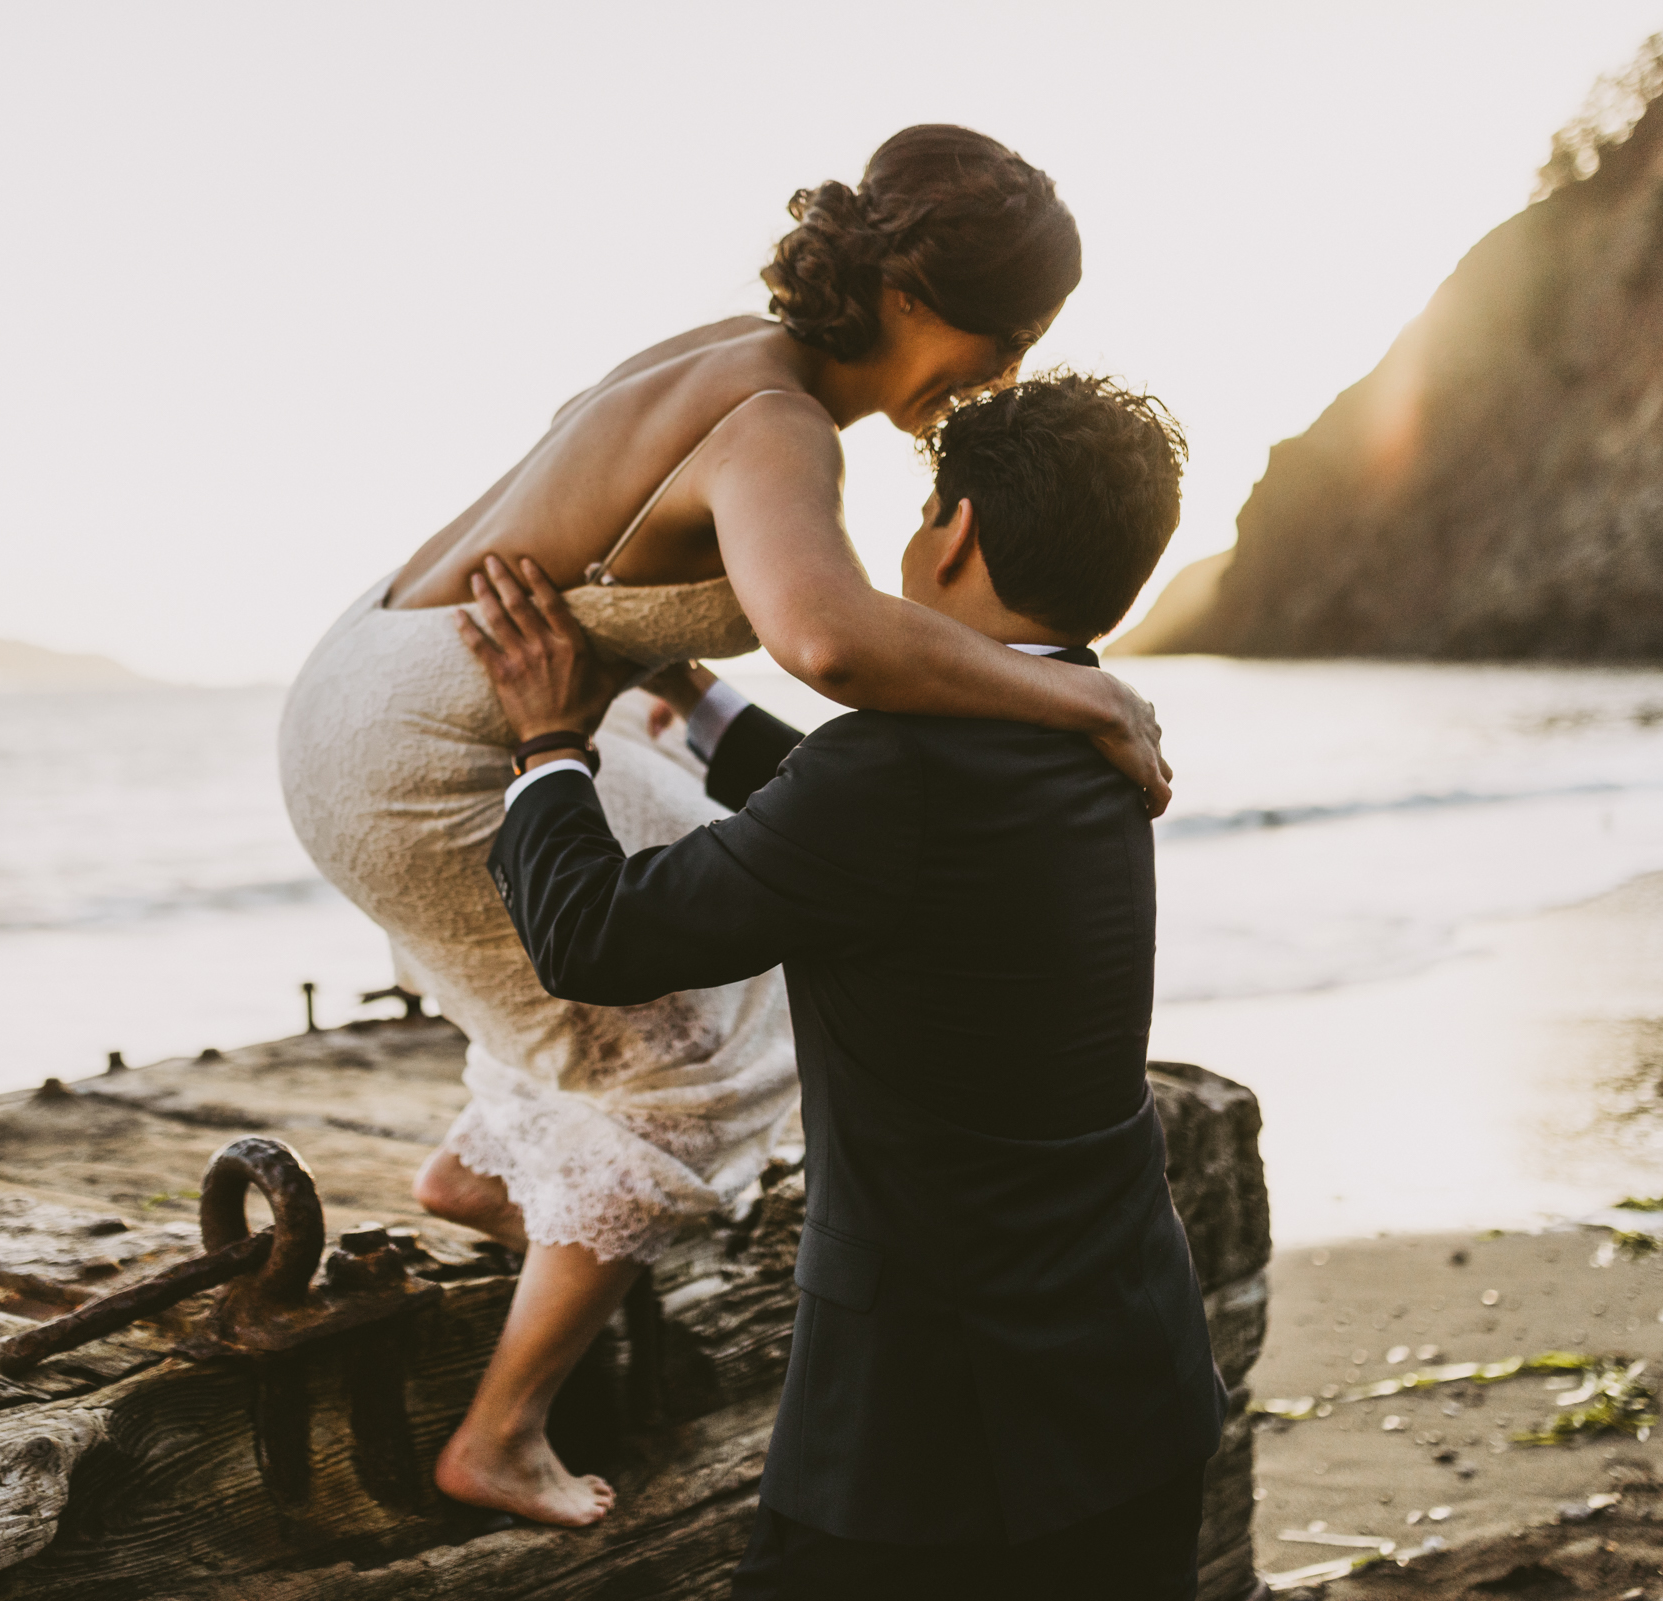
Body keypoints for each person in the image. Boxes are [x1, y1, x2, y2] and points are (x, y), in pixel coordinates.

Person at [279, 125, 1174, 1528]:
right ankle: (499, 1432)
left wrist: (664, 684)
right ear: (920, 300)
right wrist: (1089, 706)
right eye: (1007, 340)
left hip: (372, 686)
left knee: (720, 901)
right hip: (438, 744)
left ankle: (493, 1170)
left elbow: (716, 649)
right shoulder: (783, 428)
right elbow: (826, 641)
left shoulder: (739, 360)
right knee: (720, 1057)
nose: (994, 380)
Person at [464, 372, 1226, 1600]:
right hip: (1134, 1371)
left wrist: (549, 745)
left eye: (927, 504)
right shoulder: (1094, 731)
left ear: (955, 529)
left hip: (927, 1422)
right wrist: (692, 689)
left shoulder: (899, 772)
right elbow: (852, 806)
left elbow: (592, 938)